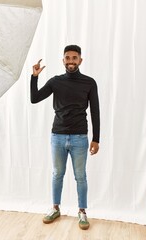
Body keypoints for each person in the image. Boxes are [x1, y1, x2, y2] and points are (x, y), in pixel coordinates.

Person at [30, 45, 100, 230]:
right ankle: (55, 208)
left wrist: (96, 138)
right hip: (58, 136)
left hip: (80, 137)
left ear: (80, 60)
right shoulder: (55, 81)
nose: (71, 61)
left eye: (74, 58)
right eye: (67, 58)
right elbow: (34, 98)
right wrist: (34, 77)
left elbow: (95, 111)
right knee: (57, 175)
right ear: (63, 60)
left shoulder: (89, 82)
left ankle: (82, 212)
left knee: (80, 177)